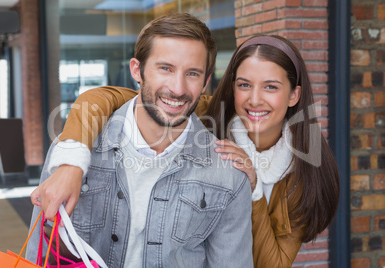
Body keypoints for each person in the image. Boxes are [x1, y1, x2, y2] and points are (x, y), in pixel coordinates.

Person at [32, 34, 340, 266]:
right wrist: (71, 162)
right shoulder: (206, 115)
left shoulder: (305, 170)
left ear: (293, 95)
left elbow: (271, 263)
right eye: (244, 85)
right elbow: (104, 99)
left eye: (271, 87)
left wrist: (254, 190)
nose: (254, 100)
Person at [27, 13, 253, 267]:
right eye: (165, 68)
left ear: (205, 83)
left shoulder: (228, 175)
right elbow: (37, 253)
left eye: (192, 73)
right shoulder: (70, 153)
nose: (178, 89)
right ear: (137, 70)